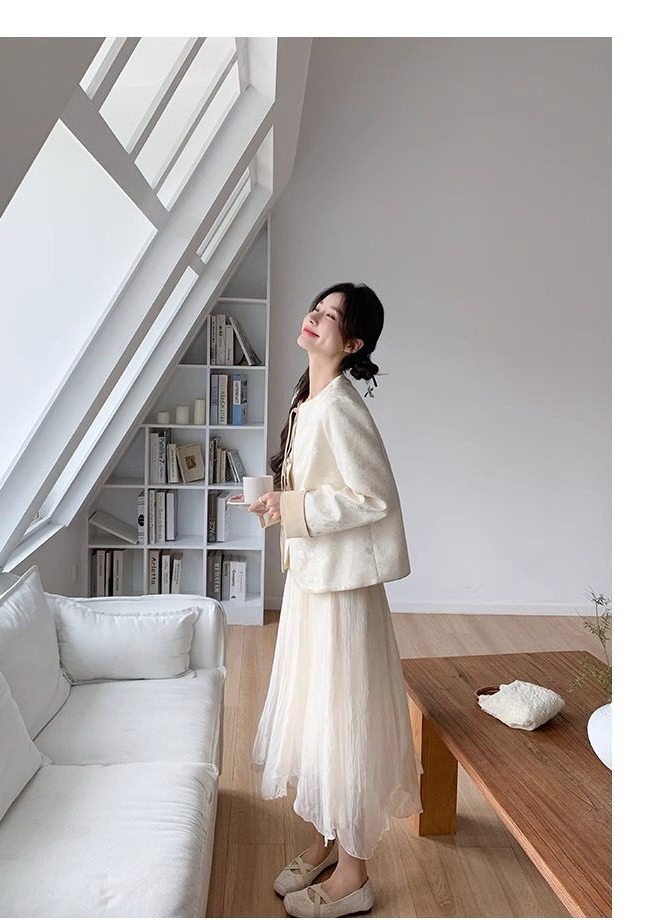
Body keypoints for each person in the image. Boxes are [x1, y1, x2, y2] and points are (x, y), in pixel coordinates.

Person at [249, 282, 422, 919]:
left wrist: (293, 506)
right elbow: (317, 491)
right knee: (315, 714)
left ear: (352, 344)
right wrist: (279, 505)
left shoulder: (340, 407)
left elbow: (374, 497)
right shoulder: (310, 400)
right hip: (312, 582)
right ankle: (325, 842)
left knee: (342, 720)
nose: (314, 318)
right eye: (315, 308)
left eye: (331, 317)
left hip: (341, 595)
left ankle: (356, 876)